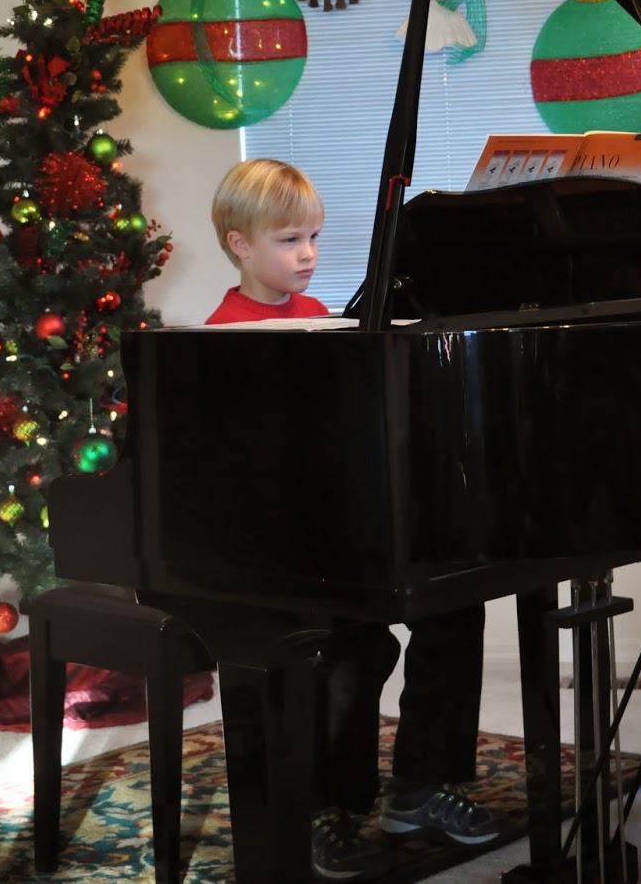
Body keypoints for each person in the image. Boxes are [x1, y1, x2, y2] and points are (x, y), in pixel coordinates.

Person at [206, 159, 509, 880]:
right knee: (354, 648)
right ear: (238, 244)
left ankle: (420, 786)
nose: (307, 254)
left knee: (455, 608)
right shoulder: (222, 336)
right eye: (288, 240)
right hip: (284, 549)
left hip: (351, 531)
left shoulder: (328, 320)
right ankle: (327, 805)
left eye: (313, 237)